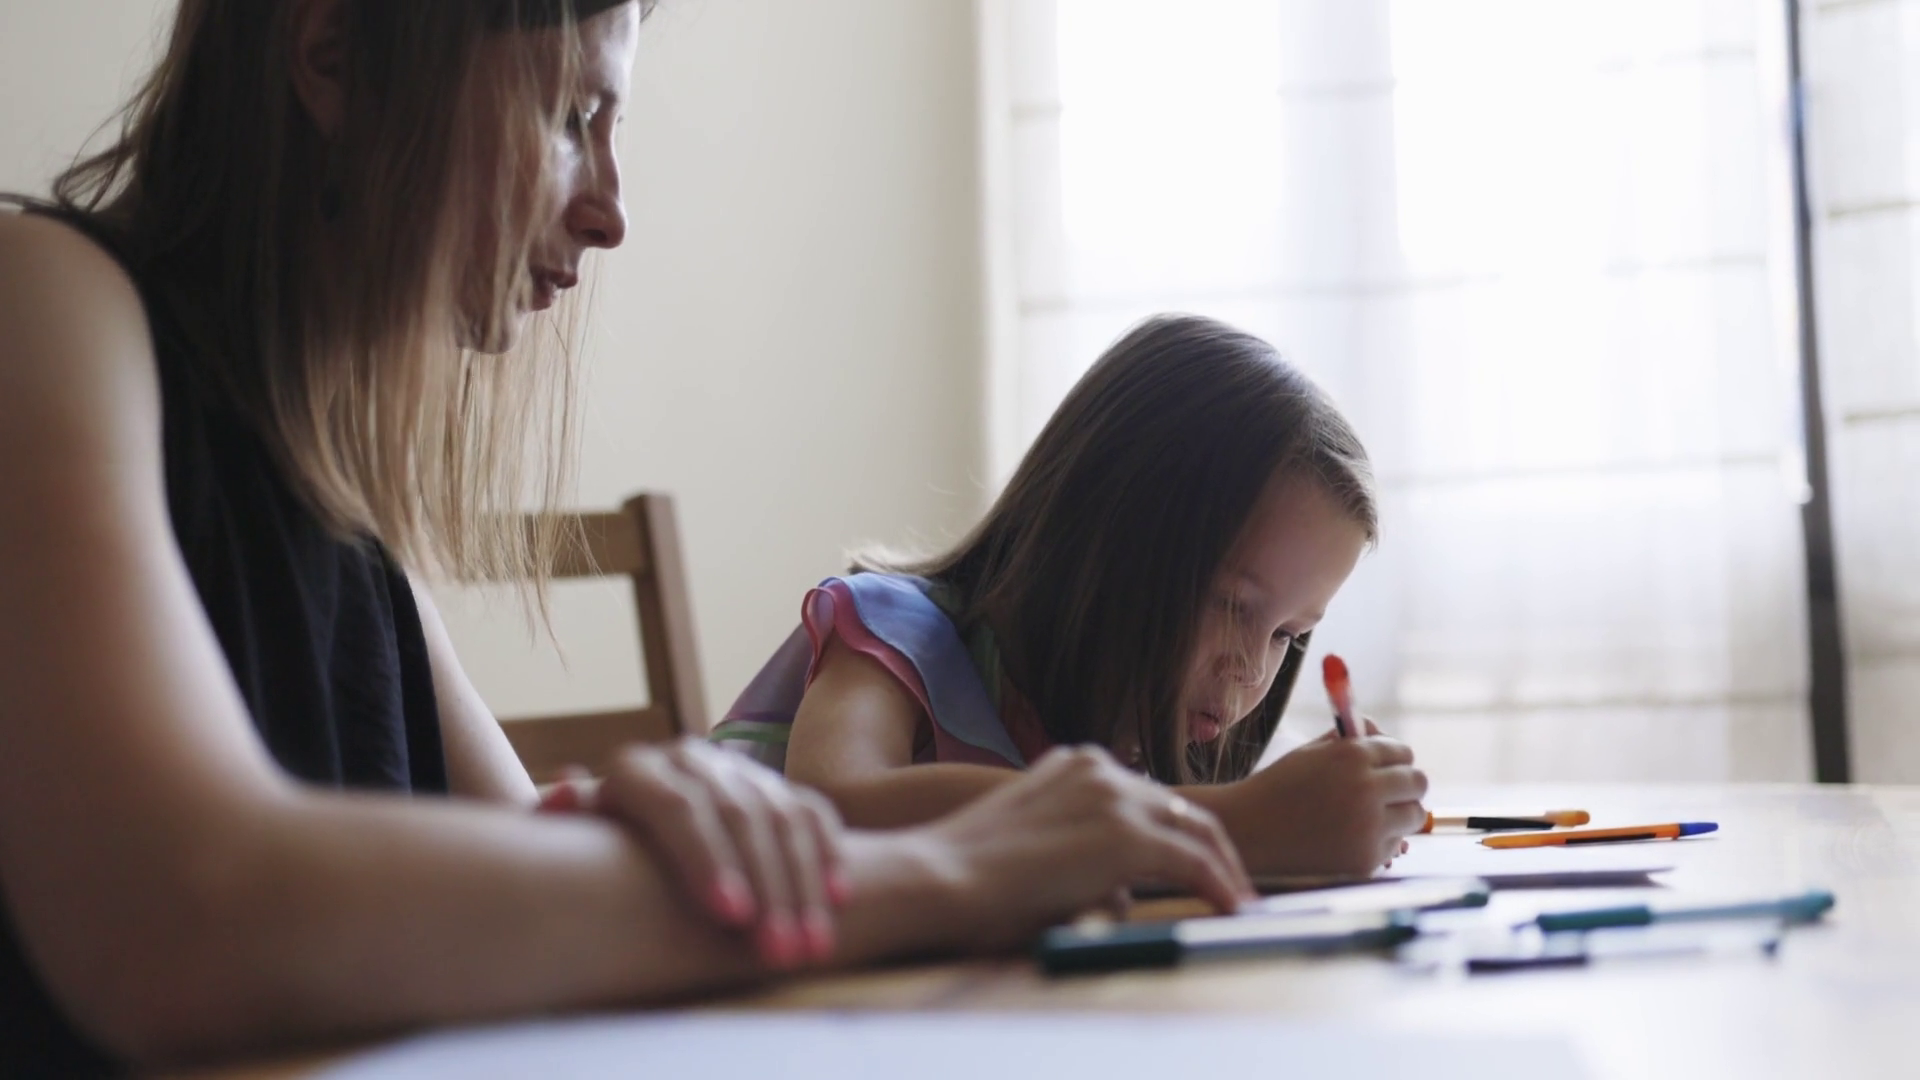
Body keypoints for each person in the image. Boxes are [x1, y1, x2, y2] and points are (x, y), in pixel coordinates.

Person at [0, 2, 1253, 1073]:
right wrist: (952, 878)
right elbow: (176, 914)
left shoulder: (341, 516)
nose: (611, 214)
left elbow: (527, 885)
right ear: (331, 56)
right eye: (568, 118)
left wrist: (628, 828)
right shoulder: (42, 299)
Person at [712, 314, 1429, 878]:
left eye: (1287, 635)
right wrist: (1237, 825)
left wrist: (1316, 811)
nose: (1251, 670)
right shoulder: (894, 632)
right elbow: (835, 812)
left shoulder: (1124, 748)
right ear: (1109, 531)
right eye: (1233, 605)